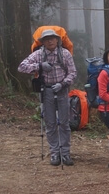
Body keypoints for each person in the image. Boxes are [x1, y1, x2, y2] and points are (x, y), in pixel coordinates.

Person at [18, 29, 77, 166]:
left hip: (62, 91)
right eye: (47, 39)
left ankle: (66, 153)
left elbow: (73, 73)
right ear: (42, 42)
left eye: (52, 38)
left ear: (57, 40)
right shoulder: (38, 55)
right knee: (50, 124)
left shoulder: (65, 54)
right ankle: (55, 153)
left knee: (64, 123)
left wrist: (63, 84)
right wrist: (39, 66)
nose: (50, 41)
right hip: (46, 92)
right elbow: (21, 67)